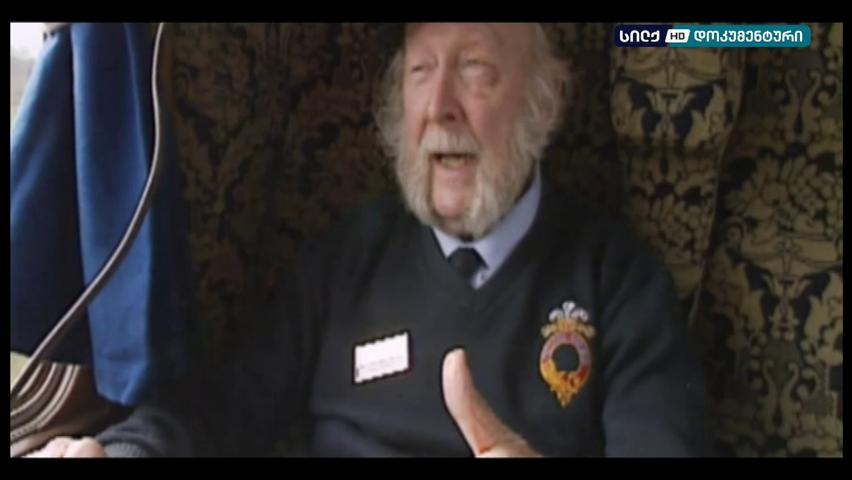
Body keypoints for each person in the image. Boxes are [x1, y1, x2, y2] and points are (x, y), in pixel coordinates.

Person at [31, 23, 711, 457]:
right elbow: (218, 407)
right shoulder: (346, 257)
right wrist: (124, 452)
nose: (440, 107)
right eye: (420, 72)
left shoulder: (619, 281)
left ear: (545, 99)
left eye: (476, 68)